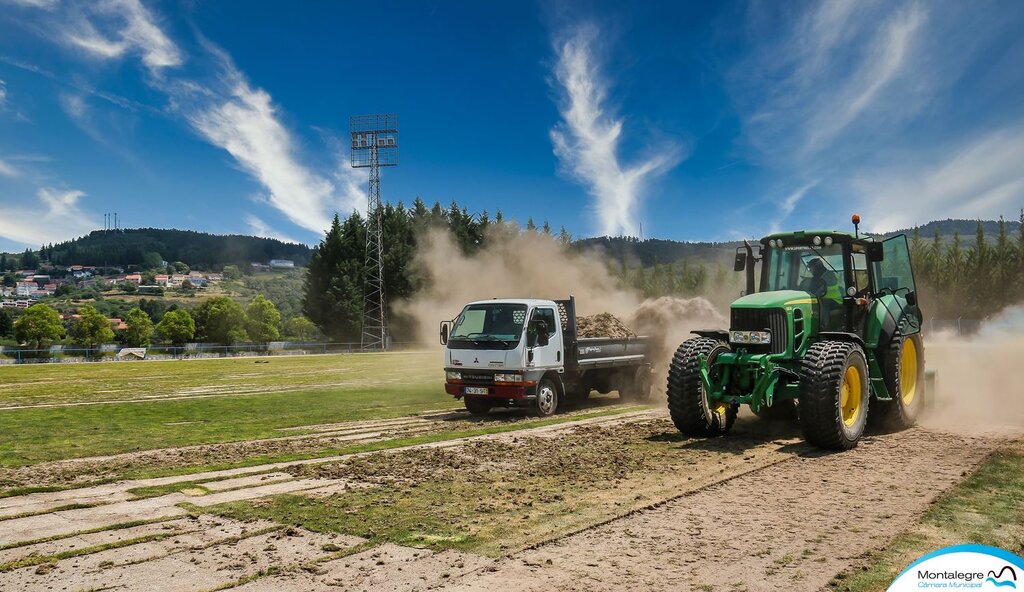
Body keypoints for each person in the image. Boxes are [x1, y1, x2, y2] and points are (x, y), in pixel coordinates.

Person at [802, 258, 843, 329]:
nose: (810, 271)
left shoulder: (829, 275)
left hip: (835, 301)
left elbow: (821, 289)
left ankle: (825, 326)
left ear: (817, 268)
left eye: (811, 269)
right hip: (823, 298)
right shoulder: (818, 277)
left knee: (822, 303)